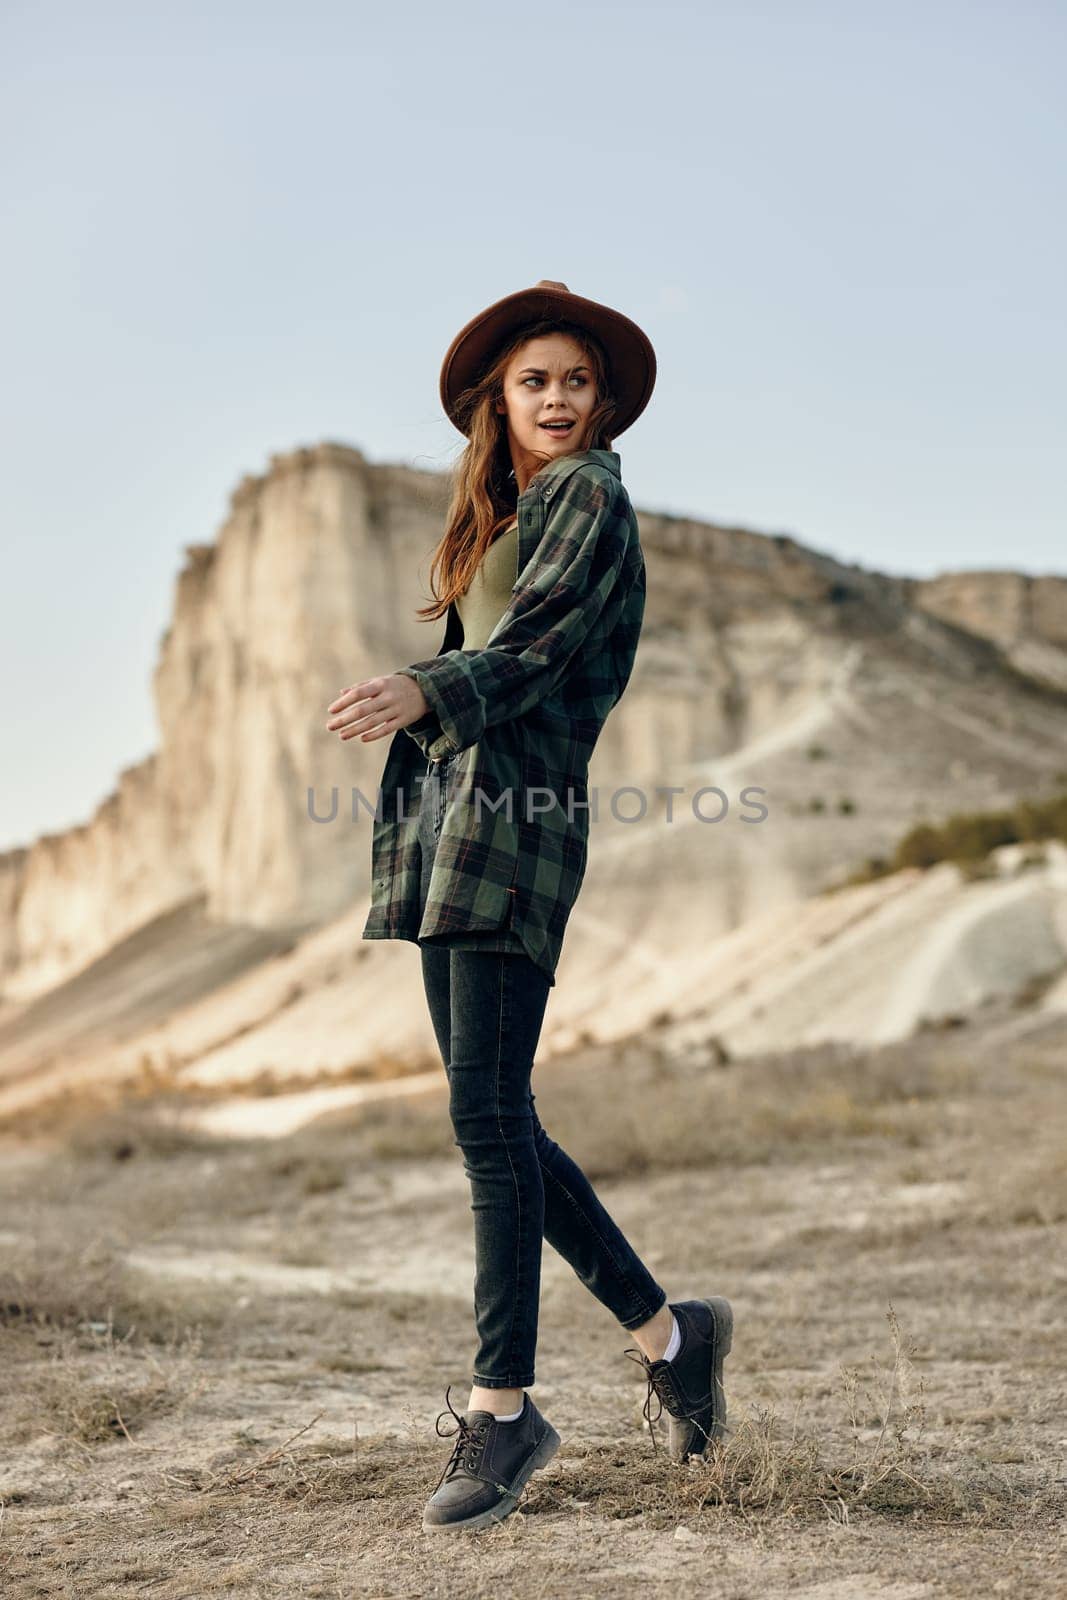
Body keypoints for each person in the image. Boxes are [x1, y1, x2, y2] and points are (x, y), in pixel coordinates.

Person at [326, 280, 733, 1534]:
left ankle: (503, 1410)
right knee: (494, 1117)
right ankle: (673, 1336)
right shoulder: (507, 511)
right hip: (460, 831)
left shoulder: (584, 497)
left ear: (598, 401)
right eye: (533, 382)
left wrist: (420, 686)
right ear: (496, 405)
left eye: (574, 380)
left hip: (515, 828)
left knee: (488, 1122)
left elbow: (546, 642)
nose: (557, 399)